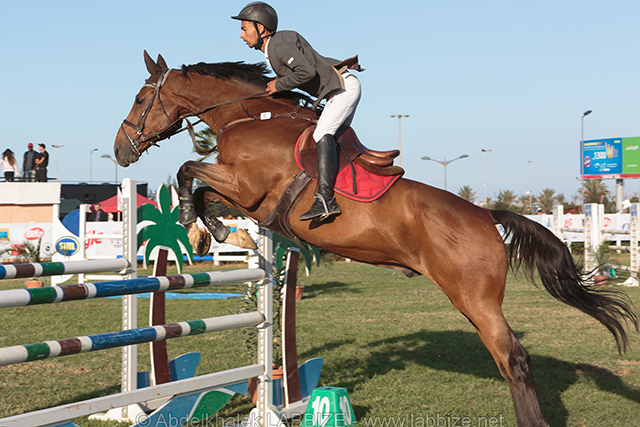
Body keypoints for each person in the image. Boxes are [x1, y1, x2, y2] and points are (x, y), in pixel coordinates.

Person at [232, 2, 363, 222]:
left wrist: (279, 85)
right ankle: (341, 193)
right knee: (330, 140)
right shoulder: (274, 48)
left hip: (343, 89)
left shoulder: (278, 44)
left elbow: (306, 72)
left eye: (244, 29)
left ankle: (325, 200)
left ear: (260, 28)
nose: (241, 35)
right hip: (337, 90)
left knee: (322, 134)